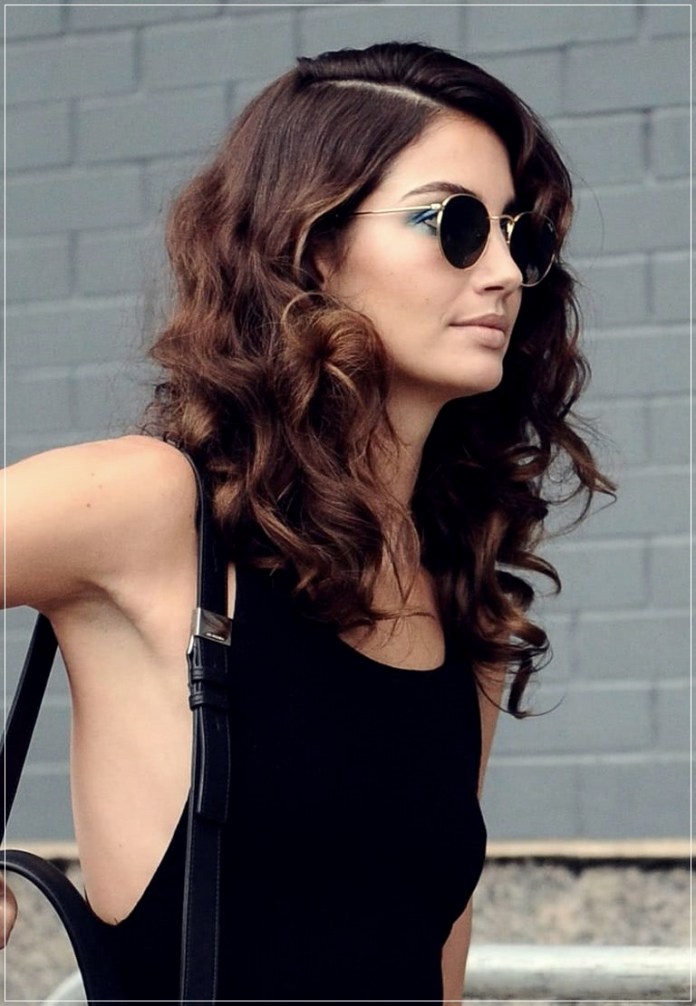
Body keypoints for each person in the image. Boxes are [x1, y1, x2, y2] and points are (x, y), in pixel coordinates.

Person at [2, 41, 614, 1003]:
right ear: (313, 243)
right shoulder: (150, 507)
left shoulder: (464, 597)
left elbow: (433, 960)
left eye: (519, 237)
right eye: (455, 224)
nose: (504, 272)